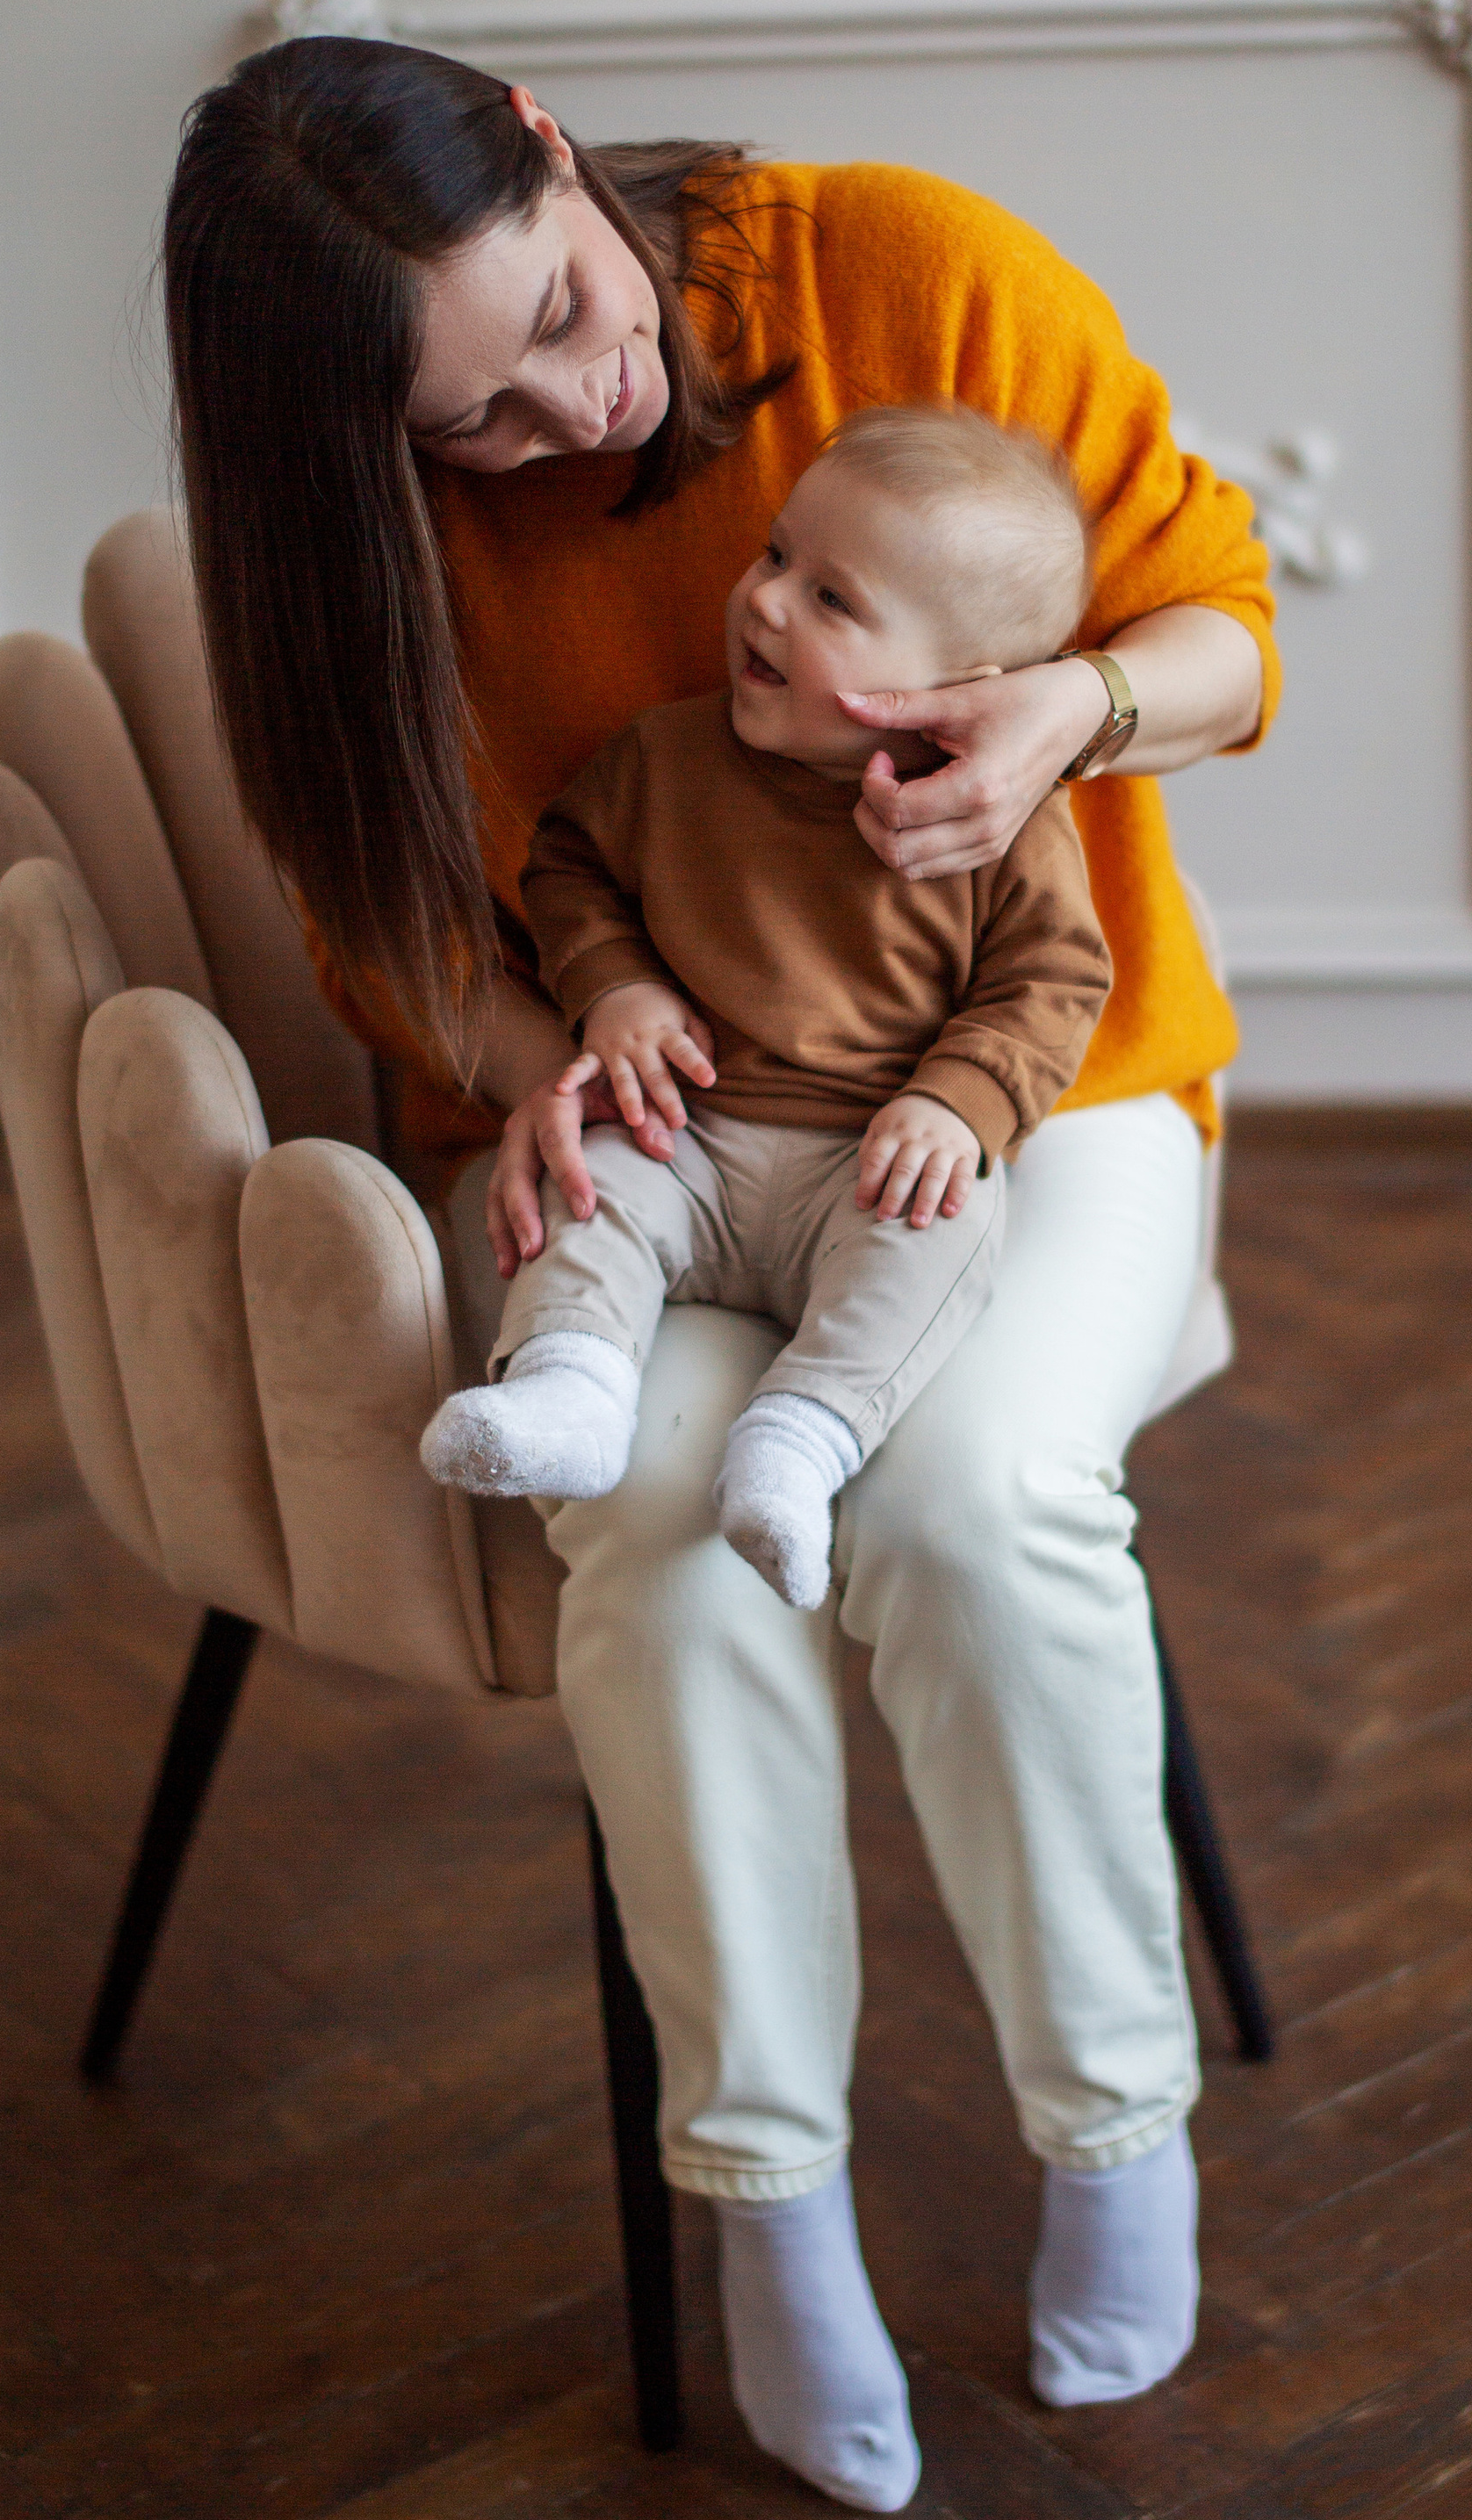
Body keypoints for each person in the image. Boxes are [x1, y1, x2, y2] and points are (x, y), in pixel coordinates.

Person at [163, 39, 1278, 2517]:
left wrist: (1063, 718)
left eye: (560, 307)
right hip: (640, 1135)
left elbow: (1225, 625)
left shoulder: (905, 271)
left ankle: (1114, 2124)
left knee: (972, 1503)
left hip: (1016, 1117)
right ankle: (769, 2212)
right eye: (478, 429)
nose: (583, 405)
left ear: (551, 136)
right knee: (658, 1544)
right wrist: (558, 1038)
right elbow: (390, 913)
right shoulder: (352, 518)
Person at [419, 401, 1115, 1618]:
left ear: (960, 688)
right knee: (591, 1184)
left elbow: (1050, 982)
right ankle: (572, 1389)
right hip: (688, 1124)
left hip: (872, 1155)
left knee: (944, 1234)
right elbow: (567, 869)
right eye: (779, 556)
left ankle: (798, 1443)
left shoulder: (994, 821)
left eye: (833, 602)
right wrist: (615, 990)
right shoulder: (664, 761)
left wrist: (960, 1106)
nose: (768, 601)